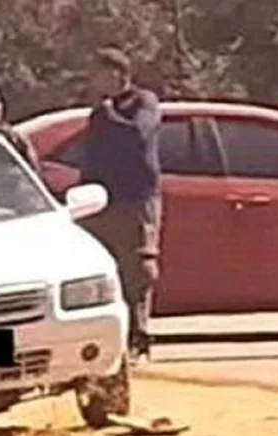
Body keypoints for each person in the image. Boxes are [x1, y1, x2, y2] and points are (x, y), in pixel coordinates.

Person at [80, 47, 162, 361]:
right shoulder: (99, 112)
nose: (94, 81)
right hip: (102, 201)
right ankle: (111, 340)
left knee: (138, 269)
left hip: (135, 199)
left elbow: (137, 135)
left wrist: (109, 111)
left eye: (99, 73)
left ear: (117, 74)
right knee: (106, 269)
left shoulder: (143, 102)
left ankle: (139, 337)